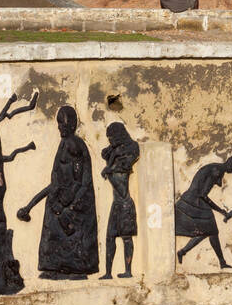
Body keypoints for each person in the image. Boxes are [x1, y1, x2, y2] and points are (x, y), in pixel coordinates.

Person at [17, 106, 99, 279]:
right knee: (53, 229)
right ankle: (55, 267)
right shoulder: (64, 144)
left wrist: (71, 203)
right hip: (60, 198)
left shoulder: (75, 145)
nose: (59, 127)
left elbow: (80, 181)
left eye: (62, 124)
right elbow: (56, 181)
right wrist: (31, 205)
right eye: (59, 123)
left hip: (71, 200)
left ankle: (75, 269)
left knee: (69, 231)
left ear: (71, 125)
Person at [174, 156, 232, 268]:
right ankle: (222, 262)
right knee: (212, 232)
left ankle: (183, 252)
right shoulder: (217, 171)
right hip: (194, 202)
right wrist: (220, 210)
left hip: (195, 201)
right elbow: (203, 195)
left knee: (209, 232)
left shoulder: (217, 168)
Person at [99, 122, 140, 279]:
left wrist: (110, 171)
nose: (110, 141)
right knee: (110, 237)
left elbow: (122, 191)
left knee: (126, 238)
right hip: (117, 204)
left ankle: (128, 271)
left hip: (124, 203)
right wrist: (113, 154)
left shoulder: (126, 158)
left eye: (111, 137)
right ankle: (108, 272)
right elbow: (106, 153)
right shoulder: (115, 153)